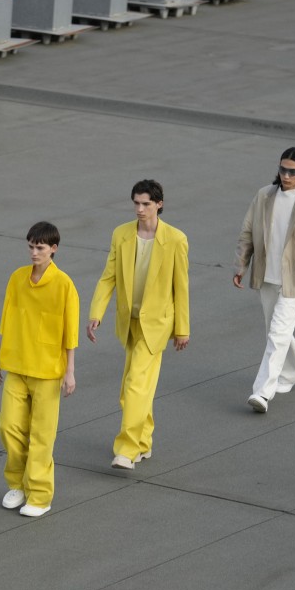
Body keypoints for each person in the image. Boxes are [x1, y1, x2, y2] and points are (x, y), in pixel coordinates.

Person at [87, 179, 190, 470]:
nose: (140, 209)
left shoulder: (176, 239)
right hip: (129, 321)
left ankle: (126, 450)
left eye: (146, 204)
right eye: (136, 203)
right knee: (133, 388)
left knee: (135, 385)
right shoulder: (121, 234)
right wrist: (96, 313)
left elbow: (180, 287)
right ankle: (144, 442)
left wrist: (182, 329)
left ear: (159, 204)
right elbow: (108, 277)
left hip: (156, 325)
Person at [0, 222, 79, 517]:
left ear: (53, 249)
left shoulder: (64, 285)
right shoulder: (17, 278)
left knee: (42, 434)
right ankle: (17, 483)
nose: (33, 252)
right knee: (8, 426)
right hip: (16, 365)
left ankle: (40, 495)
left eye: (40, 247)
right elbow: (7, 319)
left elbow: (70, 332)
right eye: (30, 246)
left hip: (48, 370)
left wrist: (70, 371)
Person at [233, 147, 295, 413]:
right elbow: (247, 231)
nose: (286, 175)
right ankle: (292, 373)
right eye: (283, 169)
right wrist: (241, 265)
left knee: (277, 334)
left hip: (294, 280)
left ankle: (262, 392)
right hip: (266, 276)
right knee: (277, 331)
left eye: (292, 171)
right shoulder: (264, 196)